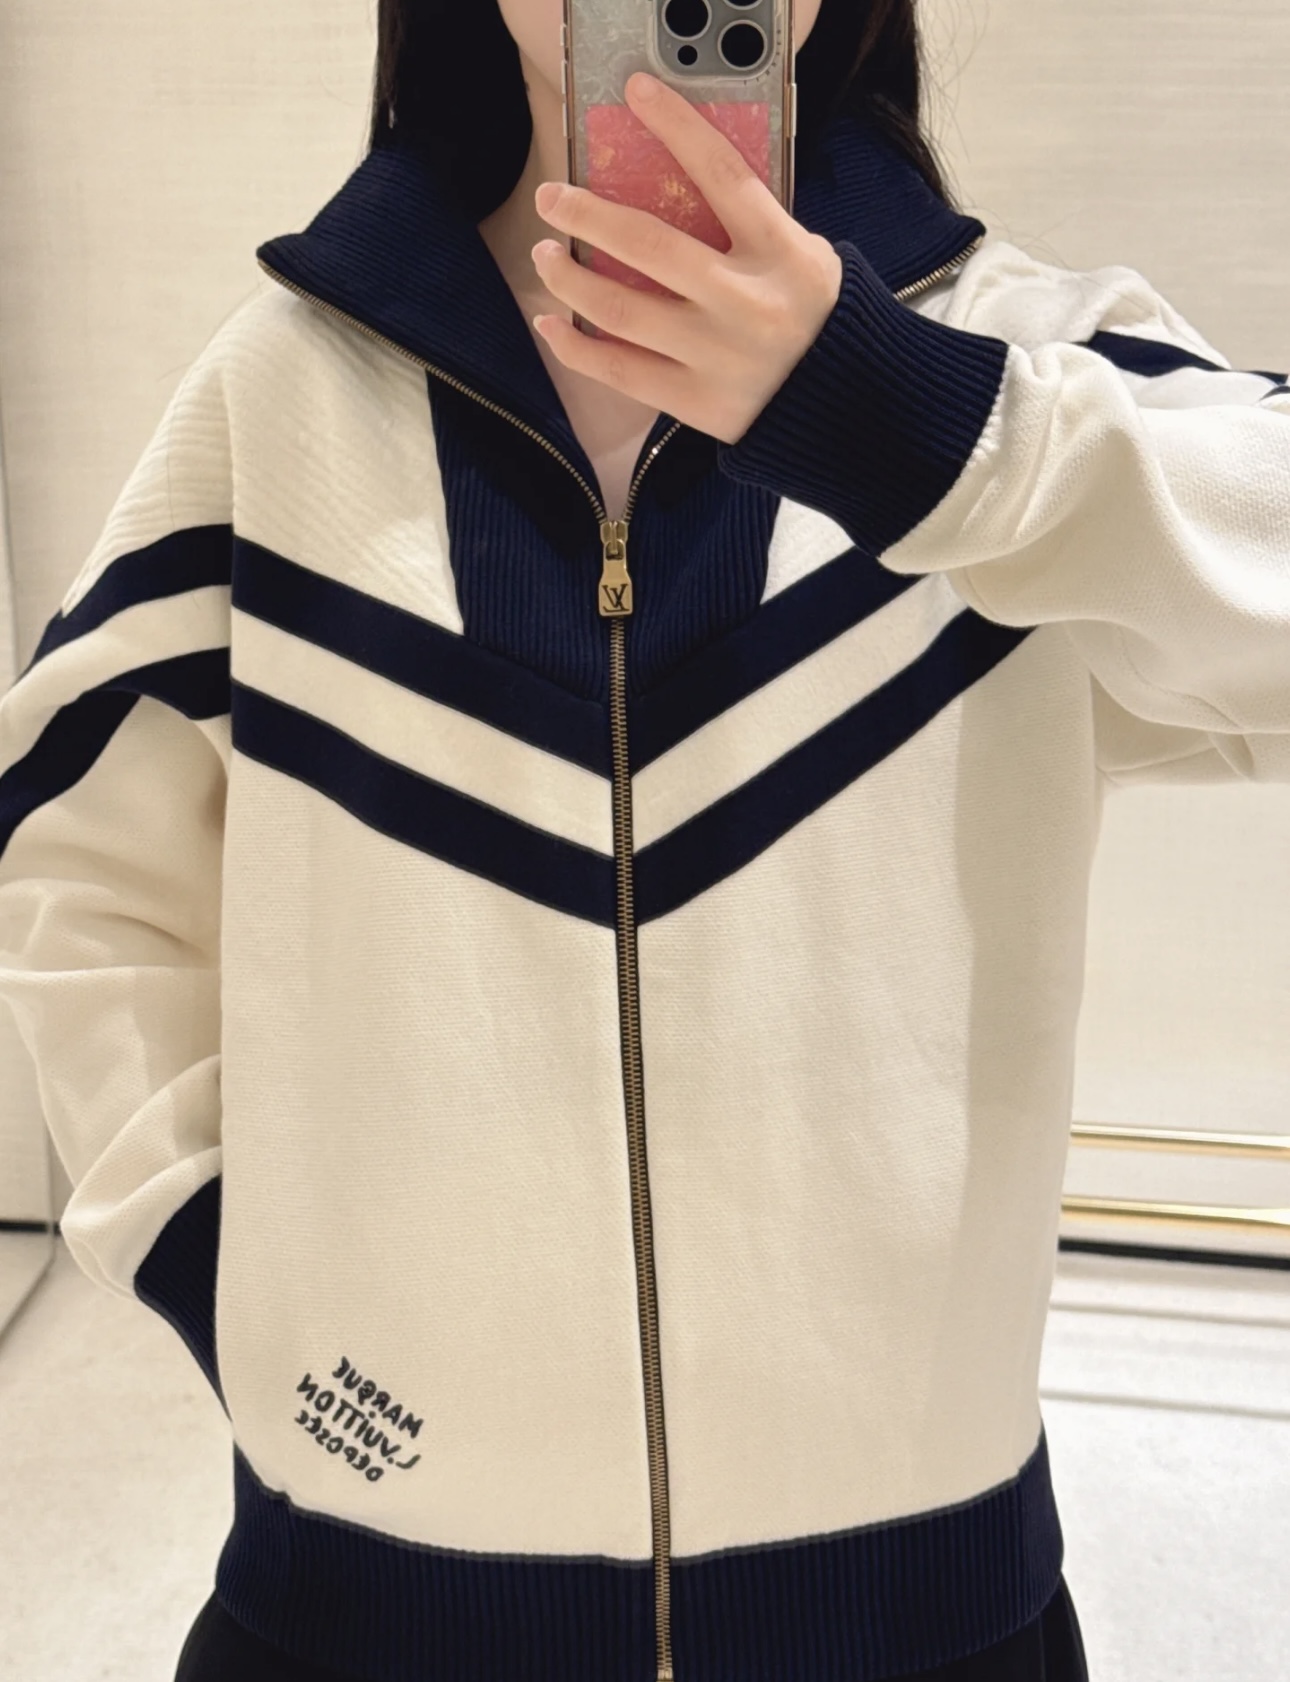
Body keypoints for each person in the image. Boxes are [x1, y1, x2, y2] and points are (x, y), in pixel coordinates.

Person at [0, 1, 1286, 1678]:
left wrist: (900, 418)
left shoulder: (1007, 373)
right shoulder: (287, 391)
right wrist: (232, 1274)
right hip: (366, 1599)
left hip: (920, 1606)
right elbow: (79, 862)